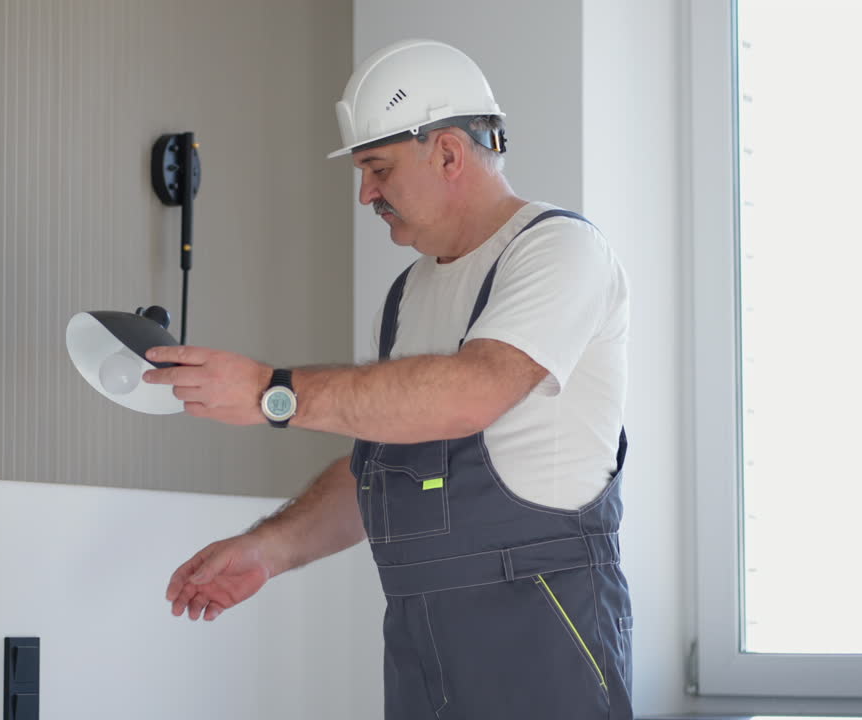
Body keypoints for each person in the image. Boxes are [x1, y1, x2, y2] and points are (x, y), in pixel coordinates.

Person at [142, 38, 633, 720]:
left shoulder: (558, 251)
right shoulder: (409, 293)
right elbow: (384, 461)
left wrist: (269, 391)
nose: (366, 193)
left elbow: (471, 393)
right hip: (421, 647)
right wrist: (269, 548)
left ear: (450, 154)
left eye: (377, 168)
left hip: (542, 633)